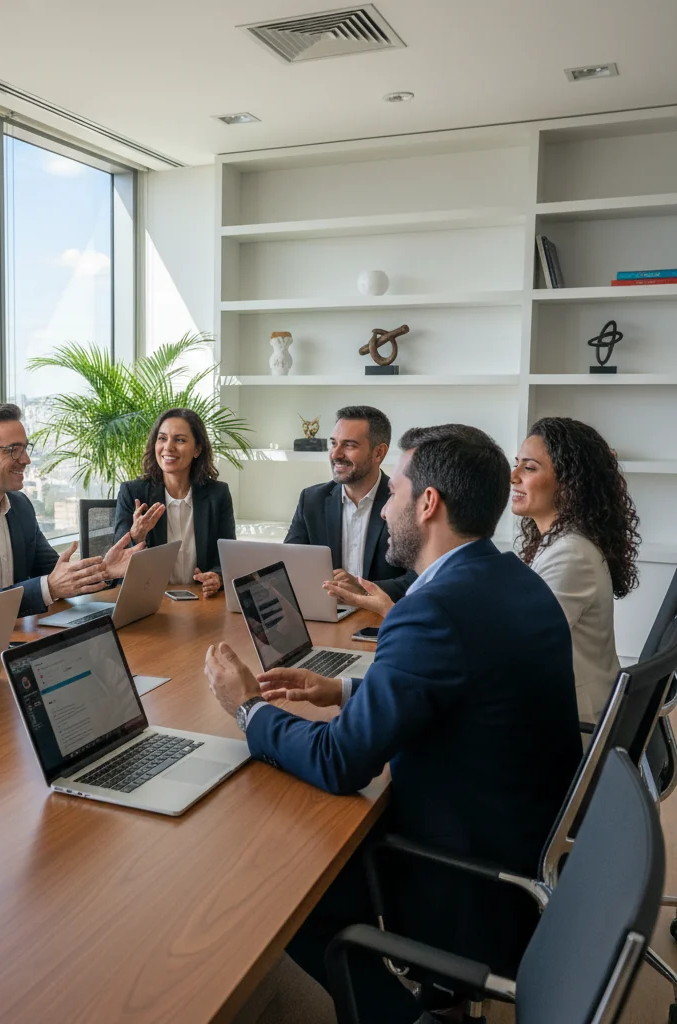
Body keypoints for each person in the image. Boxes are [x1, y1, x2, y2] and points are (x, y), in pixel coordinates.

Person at [205, 424, 581, 1023]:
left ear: (428, 504)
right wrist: (346, 689)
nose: (385, 510)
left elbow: (339, 762)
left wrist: (248, 708)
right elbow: (457, 689)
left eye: (397, 493)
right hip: (526, 843)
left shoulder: (431, 610)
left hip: (469, 877)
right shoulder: (513, 579)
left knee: (290, 881)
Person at [0, 402, 141, 644]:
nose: (26, 459)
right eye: (13, 450)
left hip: (7, 637)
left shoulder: (20, 507)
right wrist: (48, 588)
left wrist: (103, 570)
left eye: (25, 448)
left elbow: (52, 571)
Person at [511, 416, 639, 722]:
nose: (513, 475)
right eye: (517, 464)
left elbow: (517, 644)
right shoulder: (562, 543)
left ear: (568, 482)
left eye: (528, 468)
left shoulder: (571, 554)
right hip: (565, 710)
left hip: (574, 726)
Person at [285, 405, 416, 603]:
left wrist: (363, 589)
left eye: (349, 445)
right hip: (325, 614)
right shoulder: (311, 500)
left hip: (380, 620)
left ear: (379, 453)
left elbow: (418, 577)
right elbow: (289, 565)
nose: (335, 454)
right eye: (333, 443)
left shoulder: (405, 502)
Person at [113, 408, 235, 598]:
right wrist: (137, 535)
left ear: (197, 449)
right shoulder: (133, 492)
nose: (168, 447)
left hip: (201, 601)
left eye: (180, 440)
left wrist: (217, 577)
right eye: (162, 438)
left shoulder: (217, 494)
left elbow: (227, 556)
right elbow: (117, 564)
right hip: (150, 601)